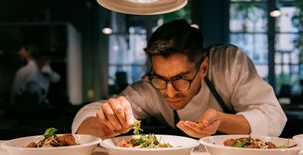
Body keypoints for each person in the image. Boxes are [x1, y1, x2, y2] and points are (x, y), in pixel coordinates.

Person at [72, 19, 287, 138]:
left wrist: (222, 121)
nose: (170, 91)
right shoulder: (151, 89)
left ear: (203, 67)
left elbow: (273, 116)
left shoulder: (228, 64)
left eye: (181, 79)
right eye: (161, 78)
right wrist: (107, 124)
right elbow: (90, 113)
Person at [11, 42, 61, 107]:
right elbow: (56, 78)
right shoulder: (44, 67)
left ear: (29, 52)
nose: (19, 53)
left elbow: (16, 93)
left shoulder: (23, 71)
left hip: (30, 109)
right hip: (43, 106)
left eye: (21, 50)